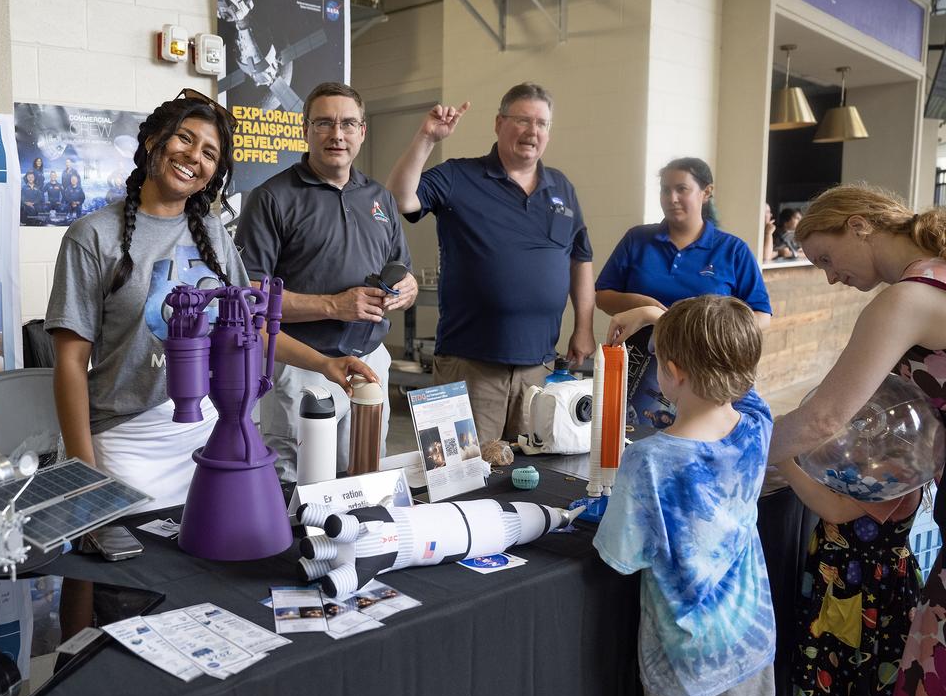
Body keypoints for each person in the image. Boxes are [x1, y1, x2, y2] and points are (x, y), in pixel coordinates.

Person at [46, 90, 377, 509]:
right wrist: (84, 473)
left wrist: (325, 364)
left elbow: (252, 329)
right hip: (128, 442)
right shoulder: (92, 236)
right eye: (185, 139)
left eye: (209, 153)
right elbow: (70, 365)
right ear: (153, 140)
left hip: (209, 434)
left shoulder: (212, 233)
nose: (193, 156)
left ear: (212, 173)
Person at [768, 184, 946, 696]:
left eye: (825, 257)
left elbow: (822, 419)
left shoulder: (908, 298)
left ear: (860, 224)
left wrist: (729, 443)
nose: (829, 276)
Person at [596, 295, 775, 696]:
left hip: (686, 650)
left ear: (671, 373)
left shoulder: (649, 460)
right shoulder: (757, 425)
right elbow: (743, 383)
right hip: (749, 633)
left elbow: (620, 554)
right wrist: (665, 320)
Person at [386, 82, 594, 444]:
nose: (532, 131)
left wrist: (584, 327)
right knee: (459, 470)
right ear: (499, 123)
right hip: (468, 366)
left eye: (542, 123)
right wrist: (426, 138)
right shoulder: (458, 176)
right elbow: (398, 198)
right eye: (523, 120)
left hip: (539, 369)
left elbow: (580, 257)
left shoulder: (561, 187)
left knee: (532, 470)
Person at [236, 82, 414, 481]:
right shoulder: (272, 198)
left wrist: (407, 289)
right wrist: (334, 305)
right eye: (324, 123)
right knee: (297, 486)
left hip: (370, 363)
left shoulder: (379, 198)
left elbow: (401, 269)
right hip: (302, 366)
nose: (337, 134)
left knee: (366, 478)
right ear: (306, 130)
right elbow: (251, 299)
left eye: (348, 124)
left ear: (362, 131)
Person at [774, 456, 920, 696]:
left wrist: (784, 459)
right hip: (858, 587)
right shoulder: (887, 451)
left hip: (876, 596)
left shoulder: (902, 462)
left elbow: (835, 510)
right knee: (862, 687)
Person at [595, 158, 771, 430]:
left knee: (696, 441)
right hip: (639, 372)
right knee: (633, 440)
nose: (672, 198)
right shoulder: (637, 240)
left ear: (706, 192)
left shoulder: (732, 250)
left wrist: (666, 318)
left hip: (707, 376)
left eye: (681, 189)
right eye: (665, 190)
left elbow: (761, 316)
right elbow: (603, 296)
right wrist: (639, 303)